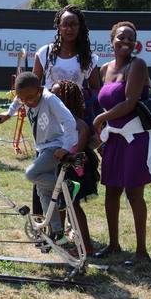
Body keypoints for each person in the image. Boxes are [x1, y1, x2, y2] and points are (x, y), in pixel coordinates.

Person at [6, 5, 100, 215]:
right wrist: (12, 110)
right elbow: (30, 85)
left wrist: (76, 97)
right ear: (58, 26)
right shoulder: (45, 53)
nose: (69, 28)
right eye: (65, 24)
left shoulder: (89, 58)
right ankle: (46, 222)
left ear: (80, 27)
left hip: (72, 119)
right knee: (44, 167)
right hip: (46, 119)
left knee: (67, 168)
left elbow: (95, 89)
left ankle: (69, 224)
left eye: (73, 24)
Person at [93, 21, 151, 266]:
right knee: (111, 191)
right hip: (114, 138)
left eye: (131, 39)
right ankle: (113, 244)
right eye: (121, 37)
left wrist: (101, 118)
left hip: (135, 138)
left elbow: (128, 102)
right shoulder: (104, 68)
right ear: (112, 39)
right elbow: (101, 99)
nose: (126, 42)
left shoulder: (137, 65)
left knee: (134, 193)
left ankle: (141, 252)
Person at [0, 72, 78, 246]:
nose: (27, 102)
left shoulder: (50, 100)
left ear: (40, 89)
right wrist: (9, 114)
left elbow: (70, 121)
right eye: (23, 99)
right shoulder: (24, 98)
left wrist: (66, 147)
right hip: (42, 147)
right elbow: (18, 100)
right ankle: (58, 233)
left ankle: (67, 186)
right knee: (42, 191)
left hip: (55, 146)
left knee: (32, 174)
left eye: (30, 97)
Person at [50, 79, 100, 256]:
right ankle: (60, 237)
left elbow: (85, 130)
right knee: (60, 202)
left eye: (56, 95)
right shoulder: (58, 114)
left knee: (73, 205)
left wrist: (74, 155)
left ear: (66, 98)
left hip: (73, 165)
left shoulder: (70, 115)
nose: (52, 97)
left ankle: (87, 246)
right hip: (63, 162)